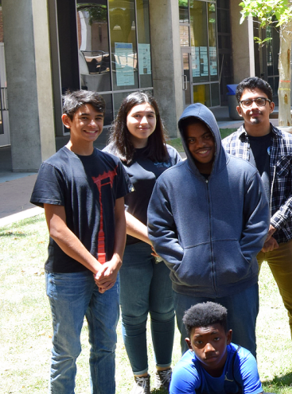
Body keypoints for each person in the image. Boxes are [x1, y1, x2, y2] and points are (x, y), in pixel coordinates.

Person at [149, 103, 269, 356]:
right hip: (190, 289)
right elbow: (159, 230)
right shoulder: (170, 181)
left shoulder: (243, 174)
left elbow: (257, 223)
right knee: (196, 356)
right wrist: (184, 265)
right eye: (191, 139)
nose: (200, 144)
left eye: (206, 136)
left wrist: (240, 260)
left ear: (215, 134)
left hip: (239, 286)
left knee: (242, 352)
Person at [31, 90, 129, 394]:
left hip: (108, 274)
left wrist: (116, 261)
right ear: (67, 120)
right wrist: (96, 267)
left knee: (106, 346)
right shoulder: (54, 167)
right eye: (84, 118)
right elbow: (57, 228)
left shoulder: (112, 165)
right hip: (68, 276)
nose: (92, 124)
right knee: (66, 351)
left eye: (98, 118)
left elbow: (120, 217)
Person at [222, 76, 292, 367]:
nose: (254, 107)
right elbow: (224, 196)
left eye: (260, 101)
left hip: (283, 239)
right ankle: (241, 368)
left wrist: (269, 228)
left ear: (271, 106)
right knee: (240, 308)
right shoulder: (226, 148)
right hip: (242, 244)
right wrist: (255, 233)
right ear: (239, 109)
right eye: (247, 102)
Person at [104, 92, 183, 394]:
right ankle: (141, 378)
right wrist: (153, 237)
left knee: (164, 311)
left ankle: (164, 371)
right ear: (124, 118)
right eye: (137, 115)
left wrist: (166, 239)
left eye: (150, 115)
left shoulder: (169, 154)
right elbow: (115, 211)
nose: (144, 121)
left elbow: (181, 196)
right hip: (130, 249)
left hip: (167, 249)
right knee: (134, 316)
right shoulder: (110, 157)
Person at [170, 302, 262, 394]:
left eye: (216, 339)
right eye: (199, 342)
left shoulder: (243, 360)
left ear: (228, 338)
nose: (209, 349)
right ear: (190, 344)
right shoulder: (184, 371)